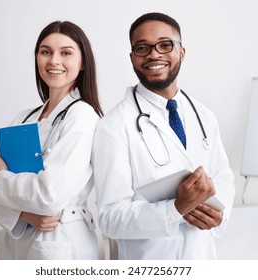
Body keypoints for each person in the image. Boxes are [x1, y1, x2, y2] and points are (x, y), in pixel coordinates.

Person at [92, 12, 235, 260]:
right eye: (142, 48)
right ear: (132, 58)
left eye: (165, 44)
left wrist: (219, 213)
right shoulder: (113, 126)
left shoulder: (204, 116)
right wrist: (177, 208)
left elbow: (223, 177)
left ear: (181, 51)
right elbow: (109, 218)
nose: (154, 54)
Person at [0, 21, 103, 260]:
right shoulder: (25, 118)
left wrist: (2, 179)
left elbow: (50, 196)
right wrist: (25, 215)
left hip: (61, 240)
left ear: (83, 63)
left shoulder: (83, 116)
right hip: (21, 239)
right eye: (46, 52)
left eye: (66, 53)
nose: (54, 61)